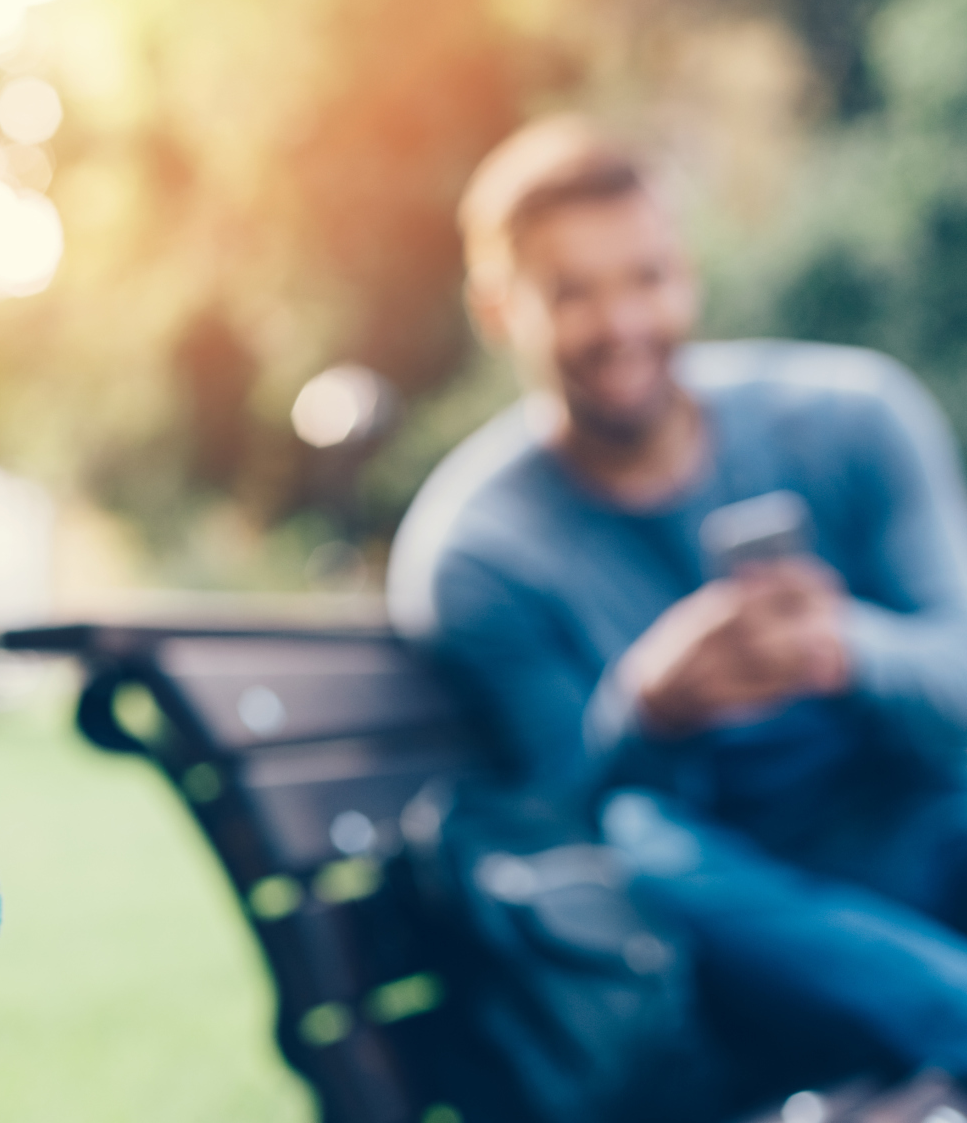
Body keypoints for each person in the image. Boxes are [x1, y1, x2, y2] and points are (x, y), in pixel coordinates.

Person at [386, 115, 967, 1096]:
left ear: (685, 274)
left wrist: (843, 649)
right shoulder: (478, 553)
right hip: (721, 946)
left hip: (904, 844)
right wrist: (645, 708)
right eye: (570, 293)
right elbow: (566, 826)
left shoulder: (856, 415)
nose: (620, 324)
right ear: (497, 308)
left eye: (644, 278)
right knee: (642, 840)